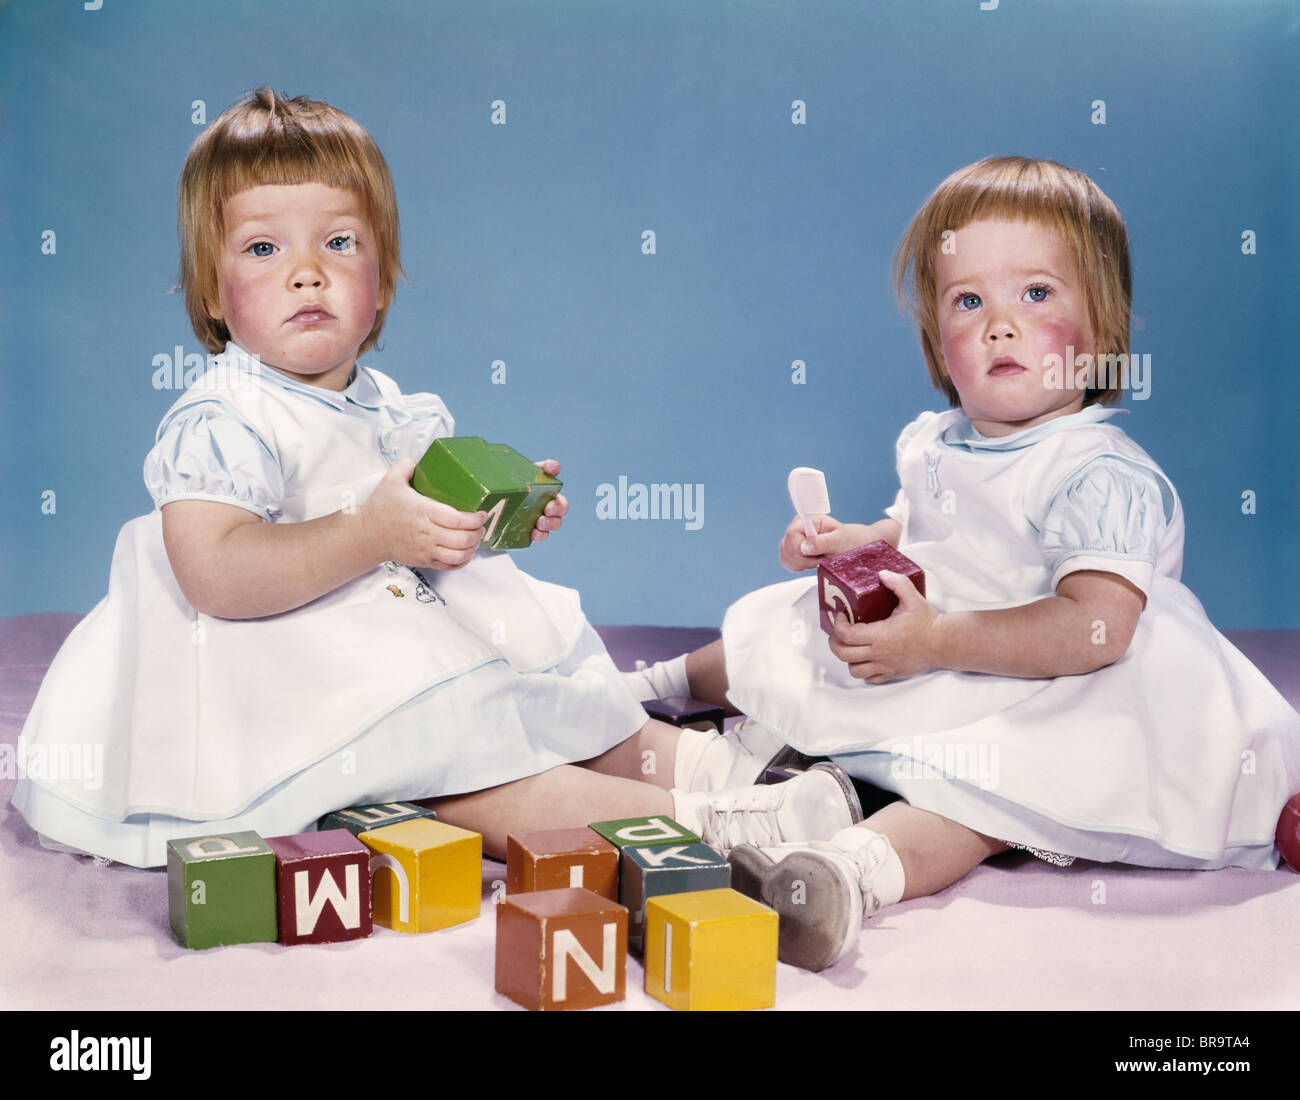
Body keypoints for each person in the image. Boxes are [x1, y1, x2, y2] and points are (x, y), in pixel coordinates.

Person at [10, 87, 862, 870]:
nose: (307, 272)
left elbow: (423, 543)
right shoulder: (225, 417)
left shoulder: (394, 410)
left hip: (397, 628)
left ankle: (729, 767)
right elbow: (215, 573)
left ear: (381, 283)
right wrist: (368, 534)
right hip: (271, 655)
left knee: (545, 702)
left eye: (339, 244)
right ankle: (703, 823)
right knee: (467, 775)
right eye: (264, 248)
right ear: (210, 287)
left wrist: (491, 520)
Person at [636, 156, 1300, 971]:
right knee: (784, 622)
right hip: (945, 638)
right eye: (968, 300)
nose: (999, 324)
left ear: (1102, 325)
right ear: (935, 338)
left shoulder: (1094, 471)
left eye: (1037, 294)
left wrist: (936, 642)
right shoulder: (940, 441)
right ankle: (650, 688)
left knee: (977, 793)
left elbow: (1094, 626)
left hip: (1061, 675)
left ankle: (853, 872)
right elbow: (920, 530)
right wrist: (853, 542)